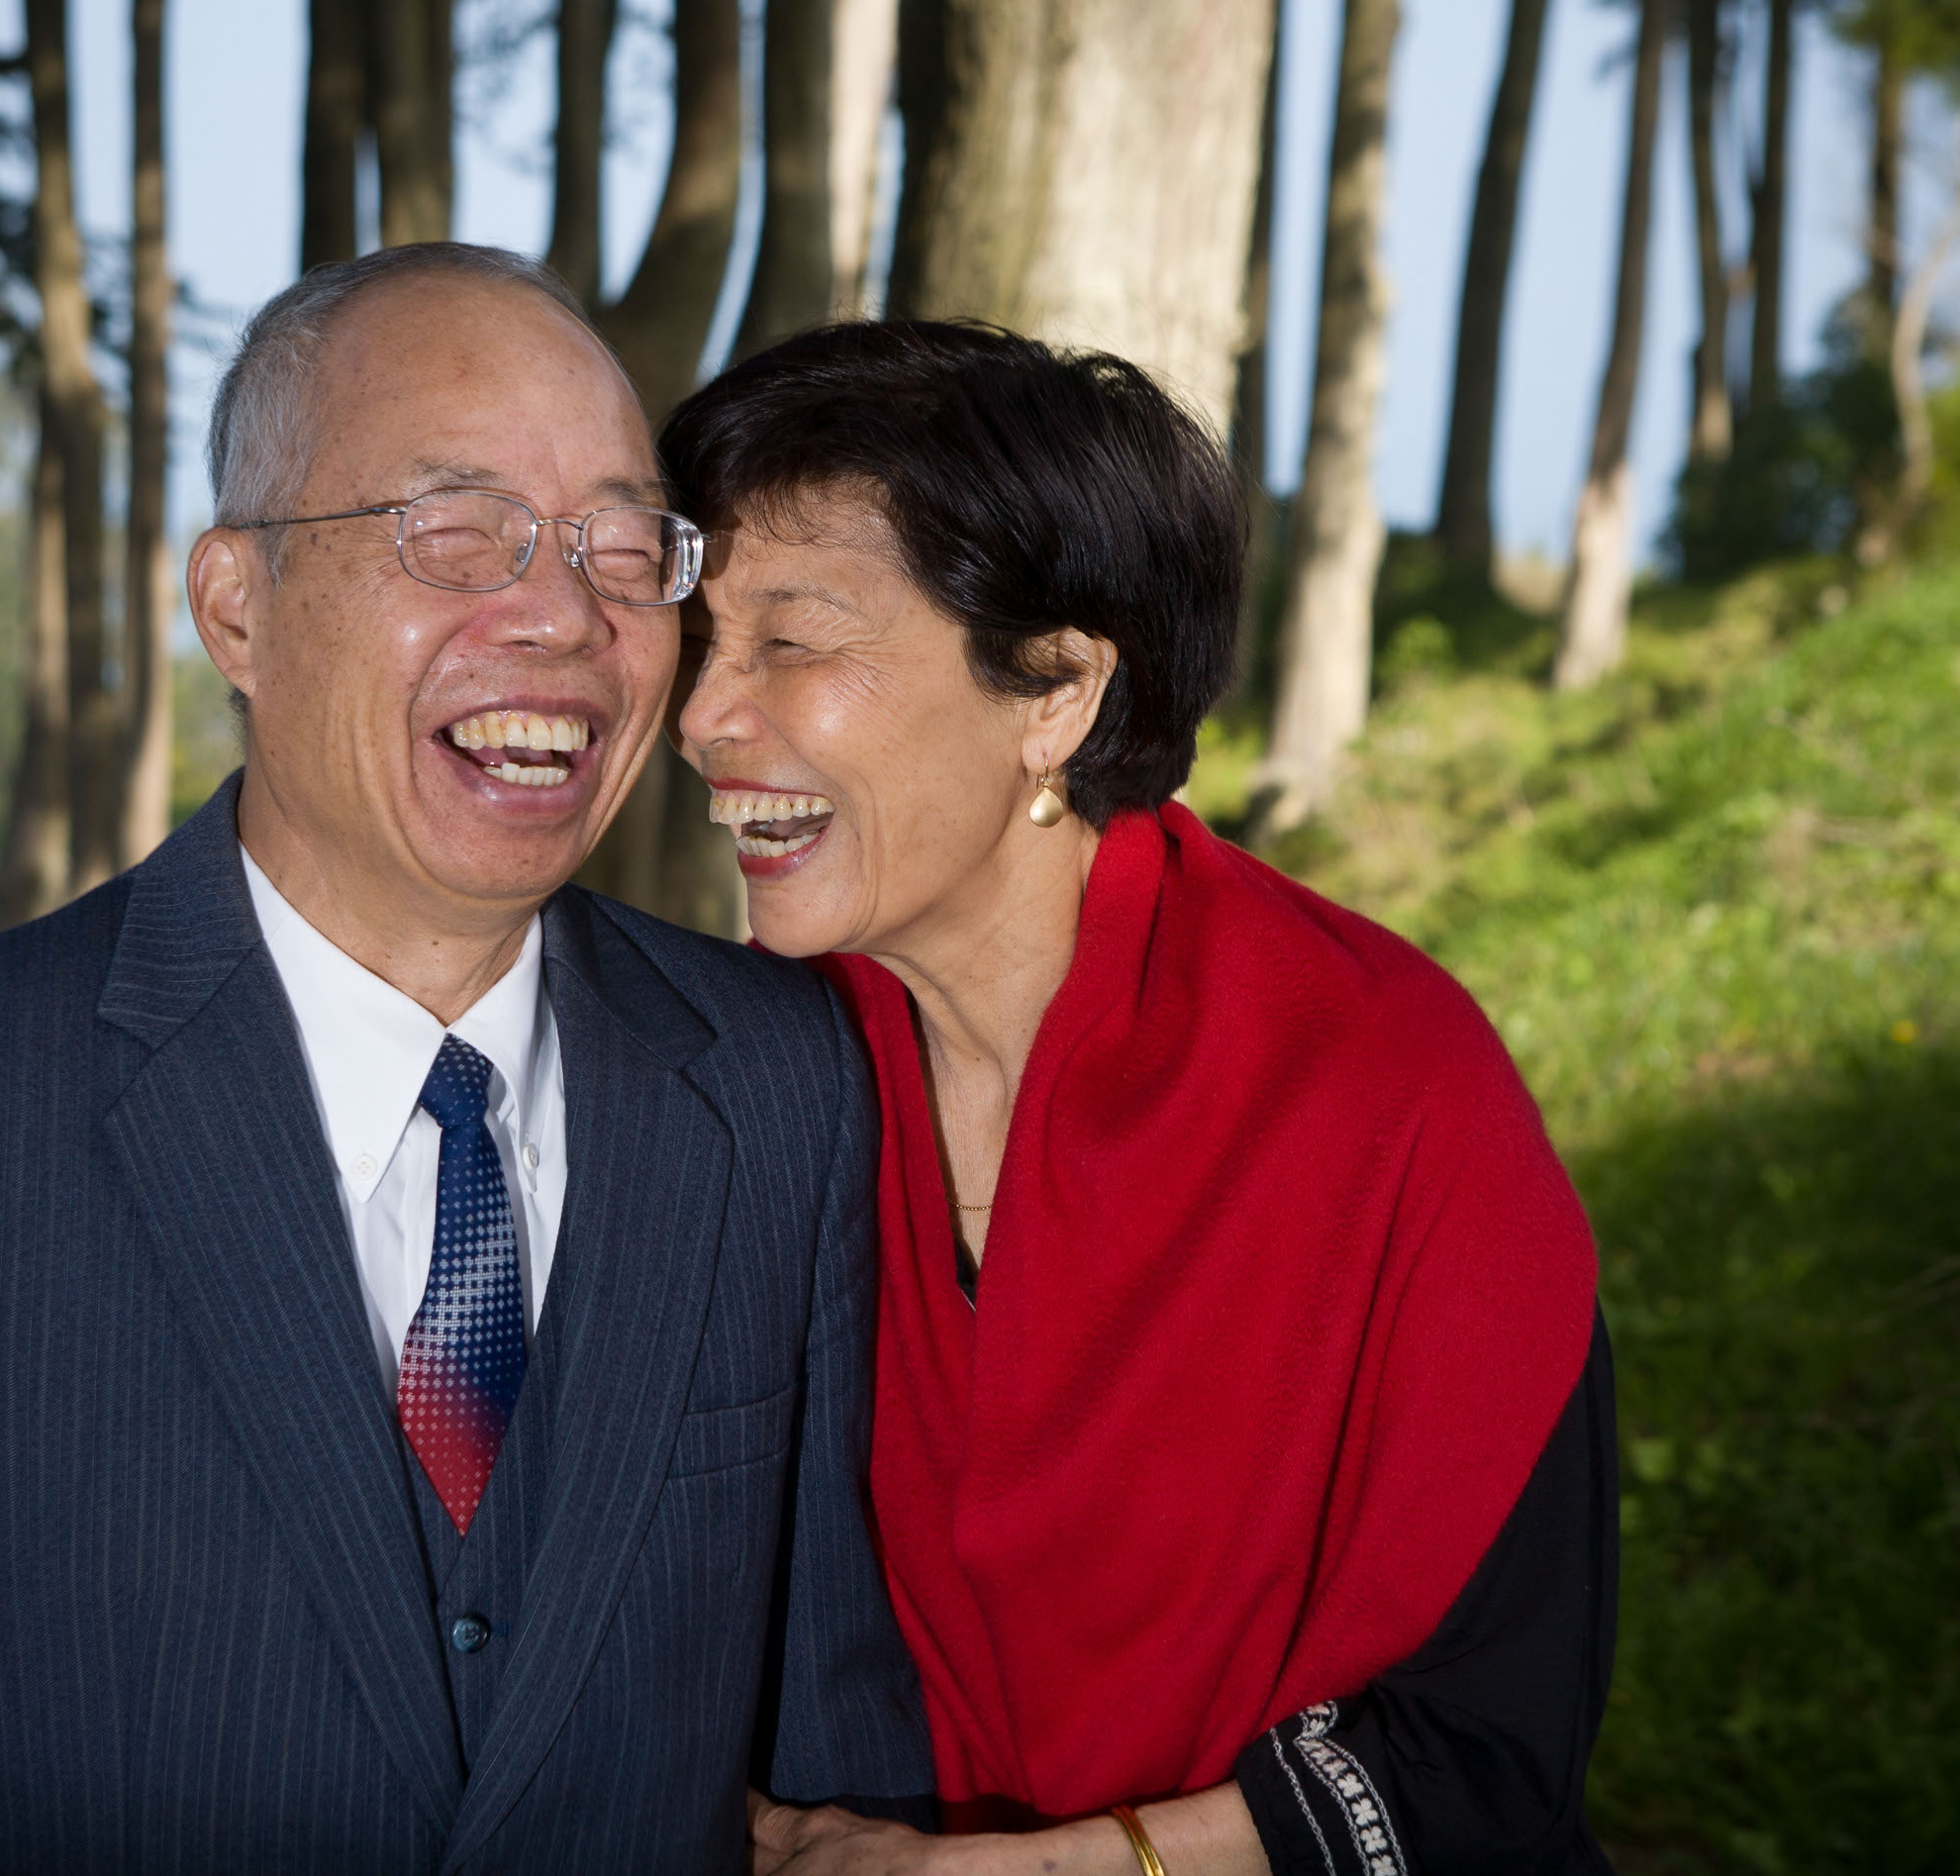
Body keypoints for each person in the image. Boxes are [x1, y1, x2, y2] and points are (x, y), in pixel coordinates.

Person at [0, 246, 931, 1872]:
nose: (565, 614)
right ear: (235, 609)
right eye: (454, 531)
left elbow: (839, 1792)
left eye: (623, 548)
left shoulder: (778, 1081)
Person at [667, 320, 1617, 1876]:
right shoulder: (742, 1081)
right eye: (704, 640)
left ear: (1055, 693)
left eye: (793, 641)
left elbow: (1484, 1755)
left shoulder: (1384, 1085)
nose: (703, 717)